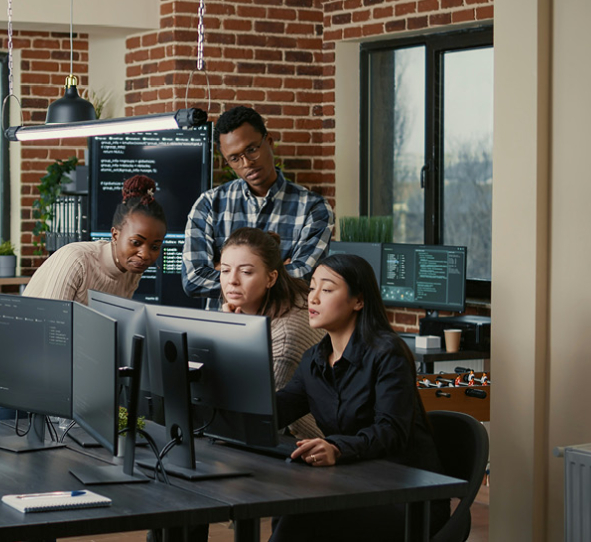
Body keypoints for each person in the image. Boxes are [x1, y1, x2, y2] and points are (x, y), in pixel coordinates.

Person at [269, 254, 449, 542]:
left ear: (359, 301)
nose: (313, 298)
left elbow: (391, 430)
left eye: (327, 289)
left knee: (301, 515)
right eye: (312, 287)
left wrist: (337, 448)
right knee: (288, 505)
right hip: (354, 484)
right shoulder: (314, 360)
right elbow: (279, 408)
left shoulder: (387, 353)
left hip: (407, 496)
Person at [182, 106, 334, 309]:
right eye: (234, 158)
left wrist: (224, 272)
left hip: (284, 325)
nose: (246, 163)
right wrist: (272, 274)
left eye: (251, 150)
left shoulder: (313, 208)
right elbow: (193, 279)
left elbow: (305, 276)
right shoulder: (209, 205)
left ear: (269, 141)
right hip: (223, 325)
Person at [218, 227, 325, 439]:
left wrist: (233, 336)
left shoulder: (285, 336)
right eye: (225, 270)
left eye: (246, 272)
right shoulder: (245, 304)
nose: (232, 281)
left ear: (271, 278)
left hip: (301, 440)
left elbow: (258, 416)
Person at [24, 174, 166, 305]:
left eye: (154, 247)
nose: (145, 255)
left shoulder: (132, 269)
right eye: (136, 242)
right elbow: (52, 321)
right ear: (115, 235)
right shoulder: (76, 260)